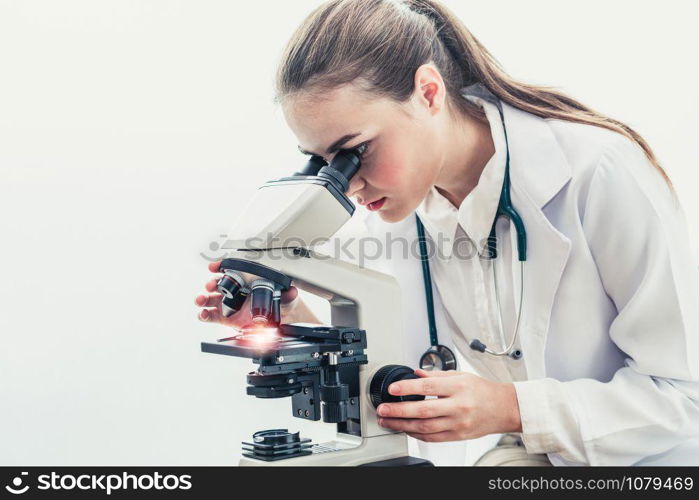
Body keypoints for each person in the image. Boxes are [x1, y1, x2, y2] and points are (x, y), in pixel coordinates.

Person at [195, 0, 699, 466]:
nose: (348, 185)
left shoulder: (599, 171)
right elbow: (389, 381)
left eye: (356, 151)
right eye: (327, 164)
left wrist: (511, 407)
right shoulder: (402, 211)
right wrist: (290, 320)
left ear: (428, 93)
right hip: (531, 457)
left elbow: (685, 395)